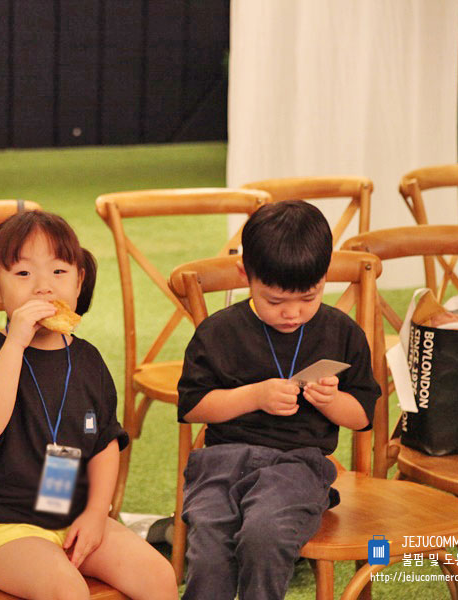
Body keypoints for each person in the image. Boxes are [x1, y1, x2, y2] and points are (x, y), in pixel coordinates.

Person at [0, 210, 177, 600]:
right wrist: (15, 342)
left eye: (58, 272)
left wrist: (96, 512)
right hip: (6, 528)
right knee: (67, 589)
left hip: (74, 516)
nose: (43, 288)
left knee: (159, 576)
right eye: (23, 273)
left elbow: (104, 442)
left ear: (79, 280)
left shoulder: (87, 360)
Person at [177, 200, 381, 600]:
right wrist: (254, 396)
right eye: (274, 301)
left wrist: (330, 401)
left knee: (264, 534)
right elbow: (193, 406)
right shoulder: (219, 332)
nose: (292, 313)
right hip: (222, 462)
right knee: (210, 550)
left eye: (308, 297)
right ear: (245, 274)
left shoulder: (342, 333)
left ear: (324, 276)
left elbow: (361, 416)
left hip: (299, 464)